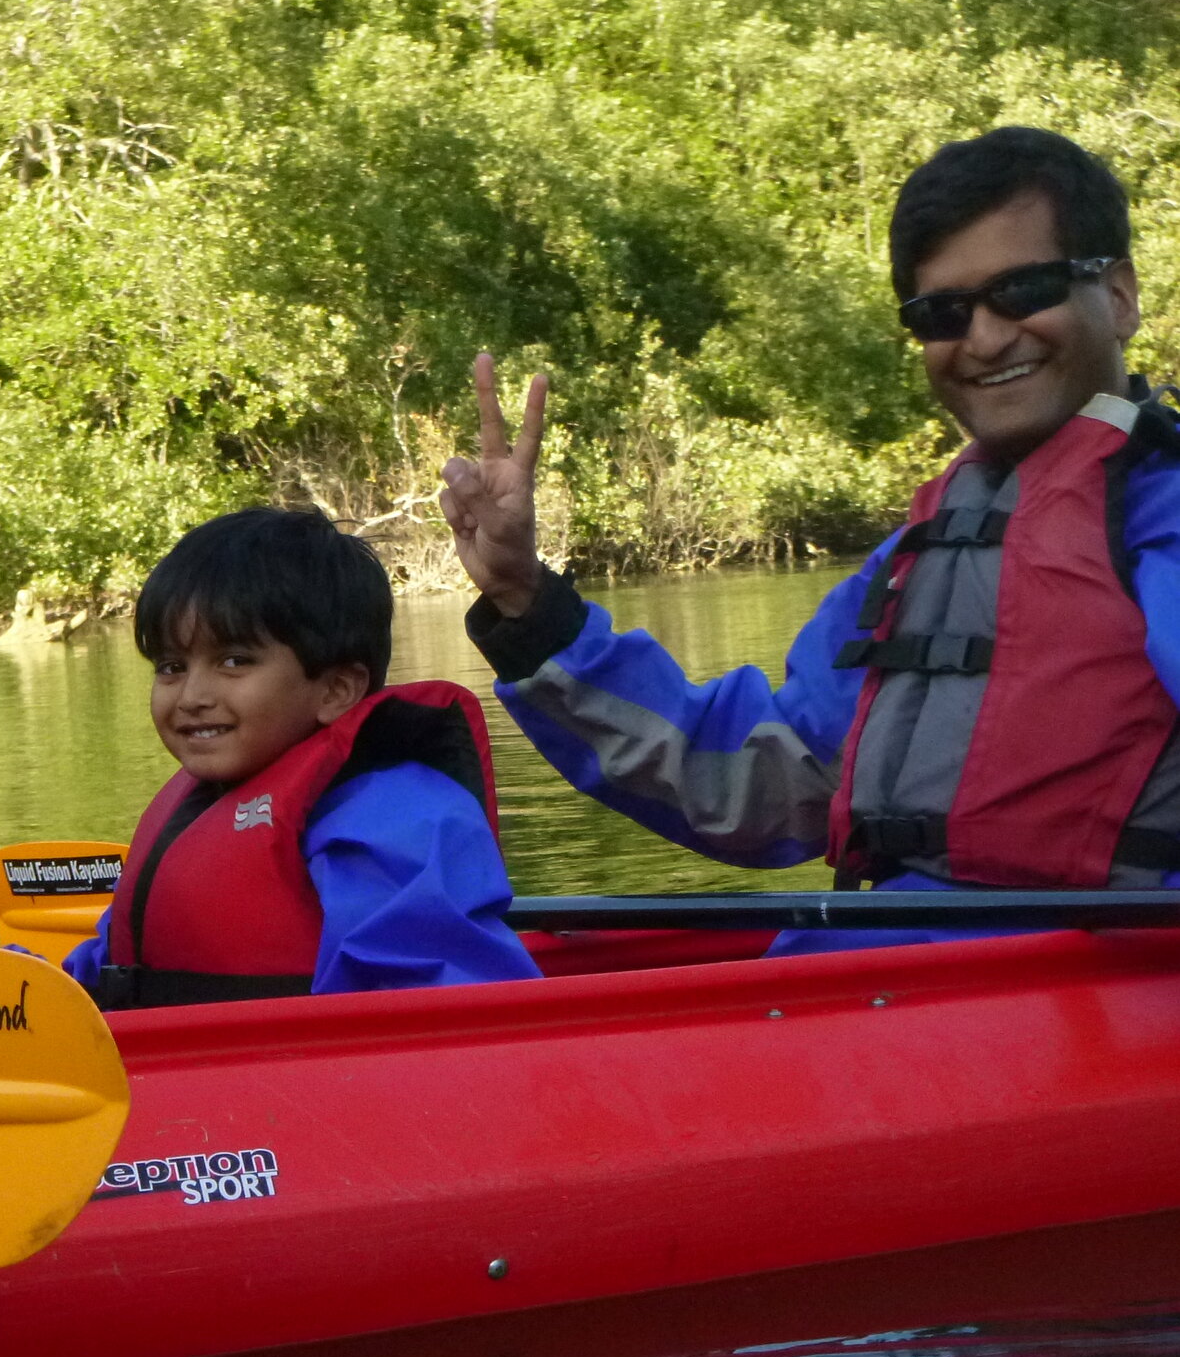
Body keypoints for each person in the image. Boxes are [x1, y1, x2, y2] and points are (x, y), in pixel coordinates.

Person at [442, 127, 1180, 950]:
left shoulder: (1163, 524)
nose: (984, 337)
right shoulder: (922, 556)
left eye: (1024, 289)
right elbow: (759, 778)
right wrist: (525, 601)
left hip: (1074, 1006)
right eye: (943, 312)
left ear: (1117, 296)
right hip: (884, 994)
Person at [63, 506, 538, 1007]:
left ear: (336, 690)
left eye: (234, 661)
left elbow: (443, 1009)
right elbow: (107, 964)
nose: (191, 695)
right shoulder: (198, 806)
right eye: (171, 666)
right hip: (182, 1069)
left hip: (297, 1077)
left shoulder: (395, 817)